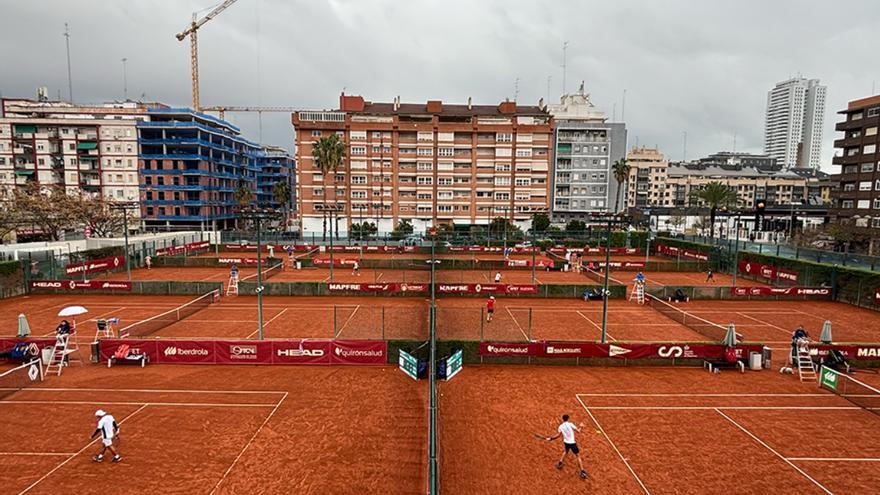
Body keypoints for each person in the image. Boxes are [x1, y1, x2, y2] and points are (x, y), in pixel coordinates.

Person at [546, 414, 587, 480]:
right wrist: (581, 426)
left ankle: (560, 463)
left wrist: (551, 438)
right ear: (568, 419)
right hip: (572, 443)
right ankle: (582, 471)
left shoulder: (560, 426)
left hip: (566, 442)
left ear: (563, 419)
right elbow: (578, 431)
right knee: (578, 456)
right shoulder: (570, 424)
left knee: (566, 451)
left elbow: (558, 435)